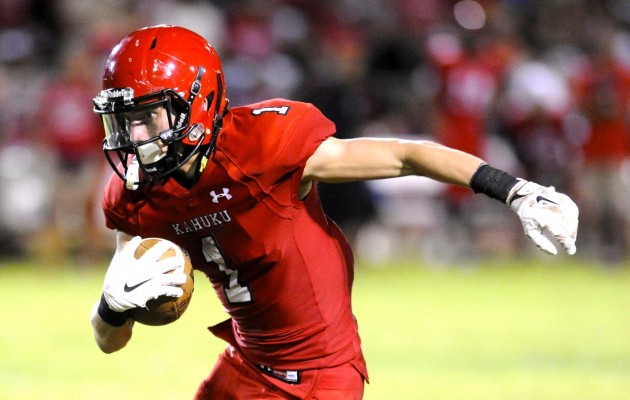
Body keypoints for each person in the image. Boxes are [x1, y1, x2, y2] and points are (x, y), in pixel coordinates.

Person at [89, 25, 579, 399]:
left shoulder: (267, 147)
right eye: (121, 120)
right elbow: (110, 341)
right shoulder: (135, 196)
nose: (132, 138)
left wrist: (514, 191)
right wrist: (112, 306)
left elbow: (405, 155)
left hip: (322, 376)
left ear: (198, 100)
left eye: (146, 117)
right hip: (244, 364)